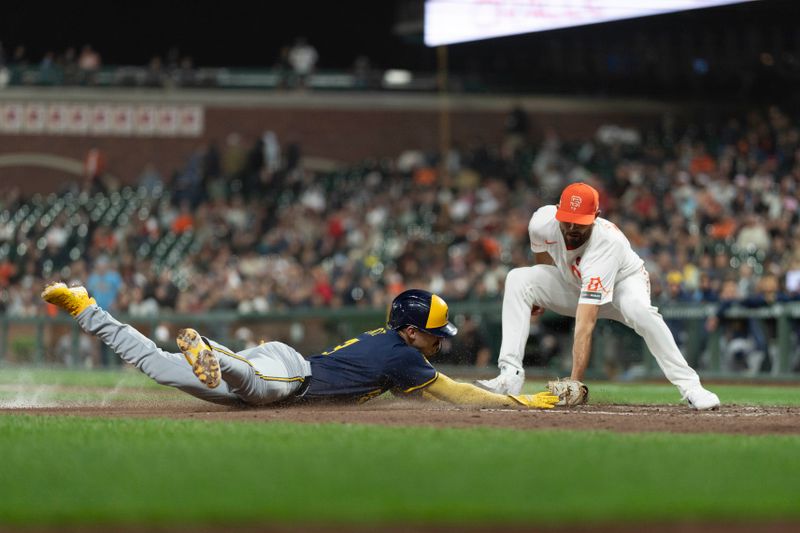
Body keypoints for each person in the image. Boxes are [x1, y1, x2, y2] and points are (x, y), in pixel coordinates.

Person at [41, 283, 559, 409]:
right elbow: (455, 394)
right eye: (432, 333)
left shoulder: (394, 348)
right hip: (295, 376)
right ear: (410, 331)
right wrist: (519, 402)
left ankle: (86, 307)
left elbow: (424, 390)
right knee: (259, 385)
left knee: (157, 366)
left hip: (282, 366)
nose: (438, 343)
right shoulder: (404, 355)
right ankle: (214, 357)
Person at [476, 182, 720, 410]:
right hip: (575, 282)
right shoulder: (541, 222)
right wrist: (537, 296)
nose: (571, 228)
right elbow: (542, 257)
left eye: (579, 223)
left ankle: (691, 387)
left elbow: (585, 323)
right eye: (567, 220)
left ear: (596, 217)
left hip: (623, 285)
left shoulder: (605, 244)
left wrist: (575, 382)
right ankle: (510, 375)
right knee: (518, 279)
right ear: (558, 211)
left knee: (640, 312)